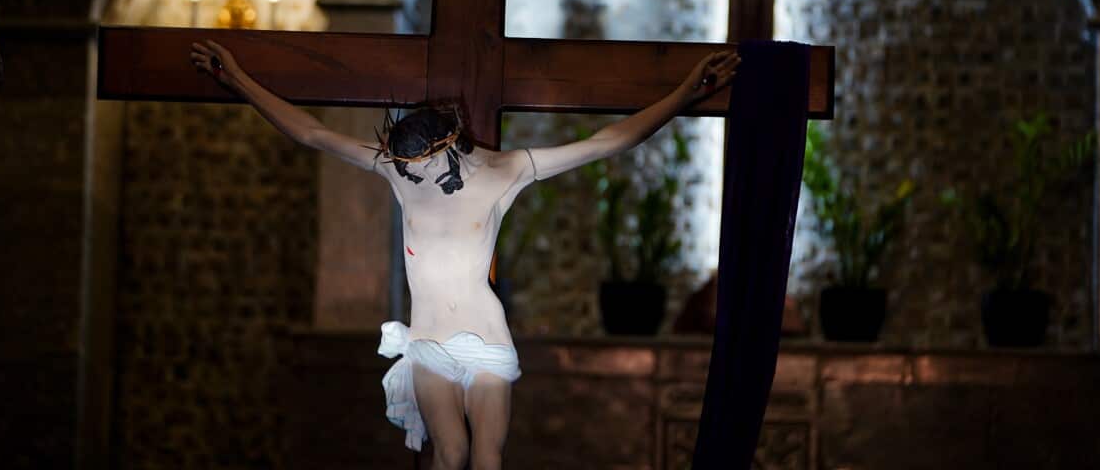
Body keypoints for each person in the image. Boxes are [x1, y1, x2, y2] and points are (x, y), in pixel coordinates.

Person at [189, 40, 740, 470]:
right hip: (428, 343)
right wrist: (237, 80)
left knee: (486, 460)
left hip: (486, 342)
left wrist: (685, 94)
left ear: (449, 151)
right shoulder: (398, 171)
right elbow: (312, 133)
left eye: (421, 169)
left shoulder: (506, 171)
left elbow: (606, 142)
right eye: (405, 170)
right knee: (449, 456)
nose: (411, 178)